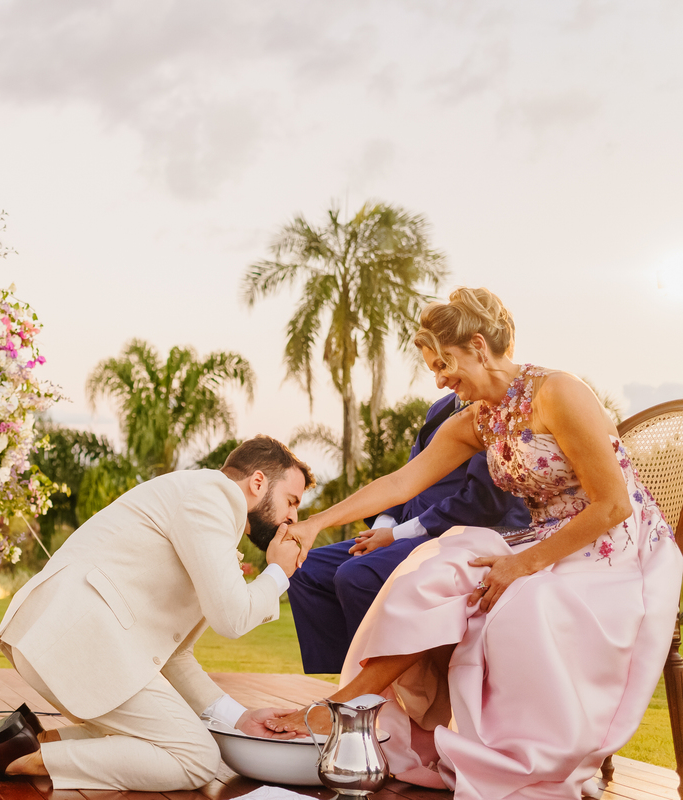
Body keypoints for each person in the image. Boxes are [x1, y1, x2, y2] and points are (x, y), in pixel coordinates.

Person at [270, 288, 683, 800]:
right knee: (433, 574)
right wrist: (314, 523)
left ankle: (514, 756)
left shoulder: (559, 392)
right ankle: (347, 708)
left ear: (479, 347)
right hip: (543, 538)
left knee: (523, 602)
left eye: (443, 364)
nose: (439, 379)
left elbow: (613, 505)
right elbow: (401, 483)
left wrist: (523, 565)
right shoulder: (478, 420)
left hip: (615, 546)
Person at [0, 436, 313, 791]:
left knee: (147, 739)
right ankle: (24, 761)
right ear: (258, 482)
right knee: (196, 757)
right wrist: (278, 572)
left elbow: (175, 654)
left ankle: (26, 742)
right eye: (291, 501)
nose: (293, 517)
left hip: (69, 638)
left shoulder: (206, 505)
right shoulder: (213, 497)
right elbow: (232, 618)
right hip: (80, 638)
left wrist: (238, 717)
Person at [288, 392, 530, 674]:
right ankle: (348, 675)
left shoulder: (501, 414)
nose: (440, 380)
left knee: (355, 576)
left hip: (452, 533)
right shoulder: (442, 407)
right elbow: (407, 477)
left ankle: (372, 685)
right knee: (304, 569)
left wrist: (396, 536)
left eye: (443, 368)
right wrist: (383, 527)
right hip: (402, 527)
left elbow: (481, 504)